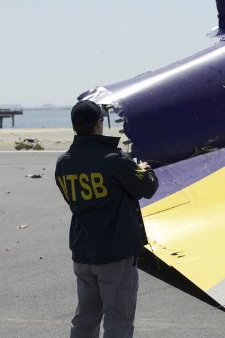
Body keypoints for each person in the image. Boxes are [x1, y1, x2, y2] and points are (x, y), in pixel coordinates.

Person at [55, 100, 159, 338]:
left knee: (85, 318)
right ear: (98, 125)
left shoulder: (63, 163)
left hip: (83, 250)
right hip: (115, 251)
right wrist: (145, 169)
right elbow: (147, 188)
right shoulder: (114, 159)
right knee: (118, 320)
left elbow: (75, 200)